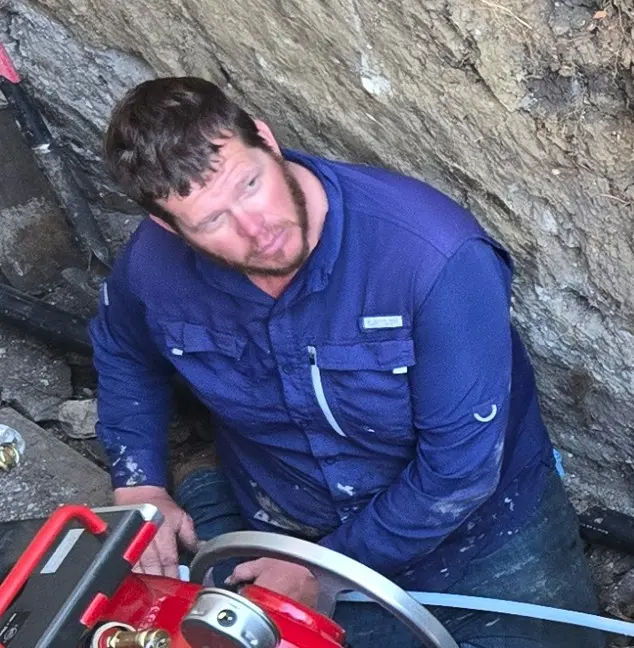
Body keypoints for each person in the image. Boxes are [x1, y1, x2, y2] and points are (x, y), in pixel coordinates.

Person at [91, 76, 604, 647]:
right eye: (213, 221)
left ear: (266, 139)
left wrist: (320, 568)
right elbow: (122, 348)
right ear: (168, 226)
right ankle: (208, 491)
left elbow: (458, 473)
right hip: (284, 526)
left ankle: (206, 489)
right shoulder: (154, 266)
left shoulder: (431, 258)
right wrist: (139, 484)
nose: (257, 230)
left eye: (251, 184)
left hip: (478, 537)